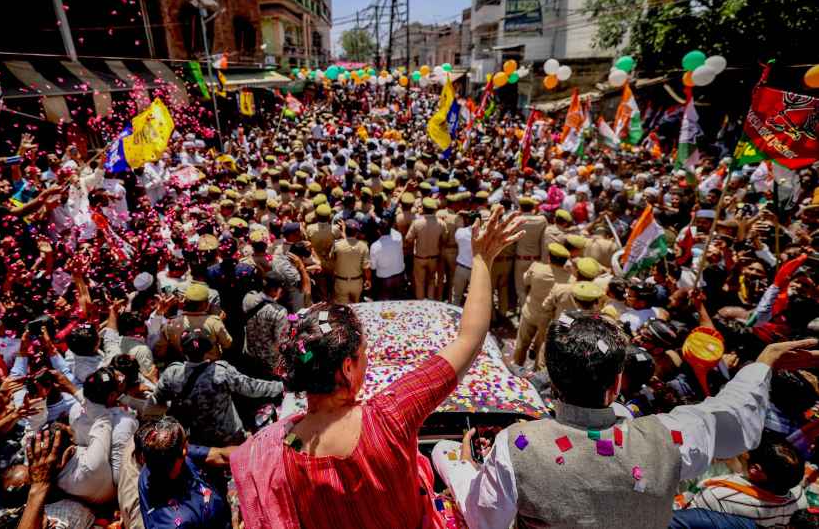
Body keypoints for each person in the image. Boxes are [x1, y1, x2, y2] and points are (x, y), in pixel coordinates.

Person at [232, 206, 524, 529]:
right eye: (363, 353)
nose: (367, 359)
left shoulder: (274, 447)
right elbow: (469, 339)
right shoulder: (389, 417)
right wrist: (482, 259)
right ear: (346, 367)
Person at [434, 316, 819, 529]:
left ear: (551, 380)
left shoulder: (515, 445)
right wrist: (764, 362)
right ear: (617, 382)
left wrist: (458, 465)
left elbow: (485, 519)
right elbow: (732, 416)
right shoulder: (668, 437)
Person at [152, 328, 283, 447]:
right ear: (208, 349)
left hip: (196, 441)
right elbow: (252, 388)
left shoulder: (172, 374)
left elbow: (157, 399)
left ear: (183, 350)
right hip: (229, 438)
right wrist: (281, 386)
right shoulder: (221, 371)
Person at [242, 271, 290, 377]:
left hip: (250, 355)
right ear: (275, 290)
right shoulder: (280, 312)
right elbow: (281, 342)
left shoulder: (248, 298)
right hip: (269, 362)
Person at [330, 219, 371, 304]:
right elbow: (366, 267)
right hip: (357, 282)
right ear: (357, 232)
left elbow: (331, 259)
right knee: (355, 307)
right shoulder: (363, 246)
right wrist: (368, 280)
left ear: (346, 230)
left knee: (343, 308)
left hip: (341, 282)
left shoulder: (337, 245)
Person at [369, 217, 406, 300]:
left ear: (378, 231)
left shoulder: (375, 246)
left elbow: (373, 267)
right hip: (399, 276)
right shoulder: (398, 238)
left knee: (385, 305)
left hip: (384, 280)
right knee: (398, 302)